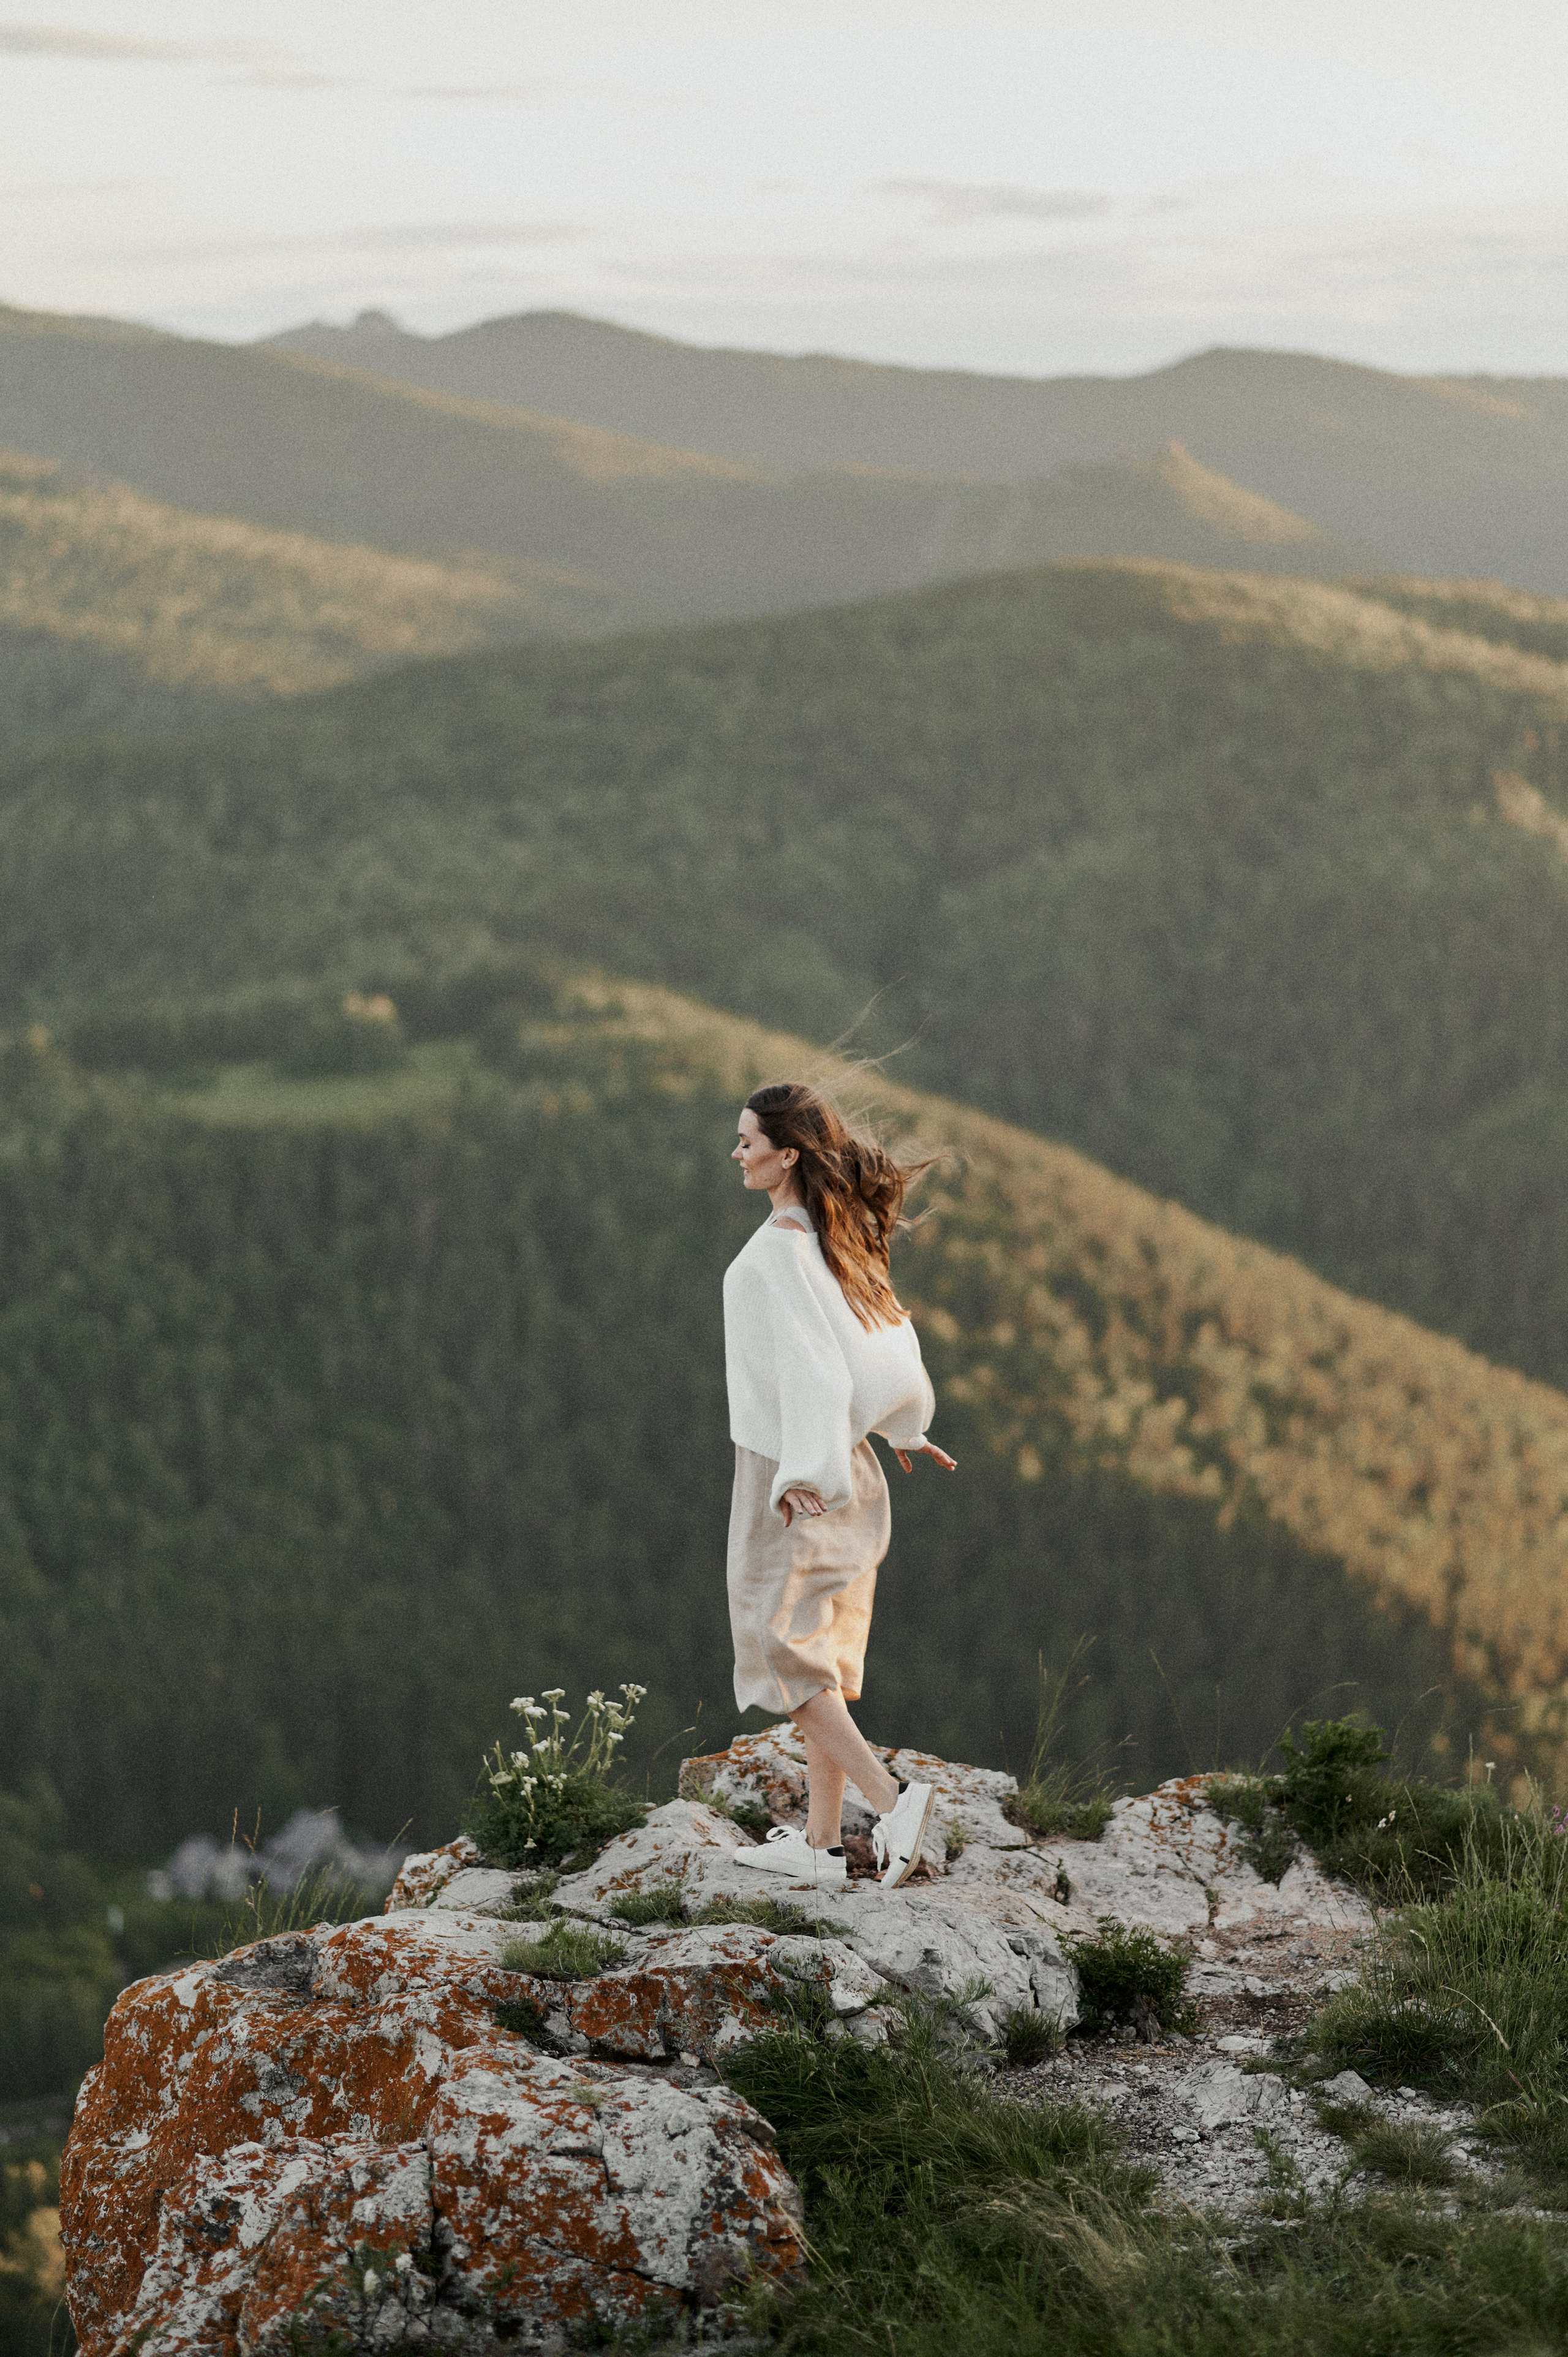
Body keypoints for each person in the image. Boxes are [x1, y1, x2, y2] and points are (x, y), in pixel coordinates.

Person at [723, 1079, 957, 1890]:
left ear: (787, 1155)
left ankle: (892, 1804)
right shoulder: (833, 1237)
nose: (737, 1152)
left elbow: (818, 1372)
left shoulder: (781, 1252)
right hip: (844, 1460)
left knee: (783, 1653)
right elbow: (884, 1346)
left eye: (748, 1141)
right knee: (817, 1653)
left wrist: (802, 1477)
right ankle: (821, 1848)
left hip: (794, 1468)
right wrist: (904, 1426)